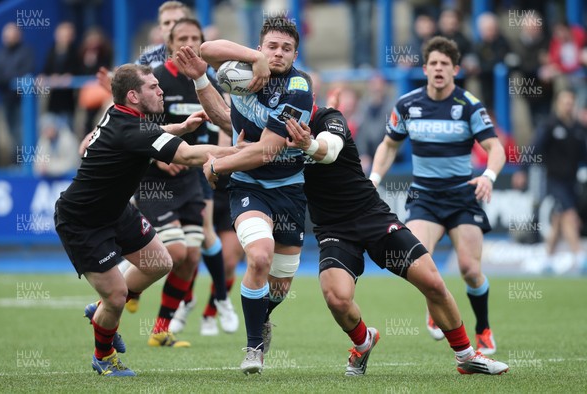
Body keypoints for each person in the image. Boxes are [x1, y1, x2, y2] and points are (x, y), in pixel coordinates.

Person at [283, 72, 509, 376]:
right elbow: (238, 130)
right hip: (333, 230)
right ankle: (363, 343)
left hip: (372, 218)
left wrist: (308, 144)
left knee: (432, 281)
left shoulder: (330, 118)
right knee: (337, 299)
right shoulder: (275, 133)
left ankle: (466, 356)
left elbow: (328, 150)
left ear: (311, 98)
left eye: (304, 95)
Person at [54, 63, 238, 376]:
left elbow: (148, 136)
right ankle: (104, 356)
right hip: (83, 221)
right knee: (117, 297)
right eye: (153, 87)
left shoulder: (121, 114)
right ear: (133, 96)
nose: (161, 89)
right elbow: (191, 156)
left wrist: (180, 127)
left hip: (115, 211)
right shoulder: (132, 128)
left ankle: (100, 312)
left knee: (160, 262)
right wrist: (242, 150)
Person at [173, 17, 313, 374]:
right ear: (261, 46)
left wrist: (220, 165)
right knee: (260, 258)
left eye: (286, 48)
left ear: (296, 54)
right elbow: (207, 52)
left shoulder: (298, 86)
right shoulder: (246, 66)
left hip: (289, 190)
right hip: (250, 187)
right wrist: (250, 60)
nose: (278, 52)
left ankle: (260, 319)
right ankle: (254, 349)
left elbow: (266, 150)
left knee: (279, 288)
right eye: (272, 46)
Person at [370, 36, 507, 355]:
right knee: (419, 264)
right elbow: (389, 145)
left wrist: (488, 175)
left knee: (470, 271)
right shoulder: (407, 105)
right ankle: (435, 307)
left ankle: (483, 328)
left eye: (445, 64)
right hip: (424, 198)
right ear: (425, 68)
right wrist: (374, 179)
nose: (439, 68)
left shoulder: (469, 105)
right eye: (433, 63)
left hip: (462, 197)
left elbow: (496, 148)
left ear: (455, 70)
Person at [131, 18, 238, 346]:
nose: (188, 43)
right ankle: (122, 293)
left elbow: (225, 122)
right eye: (182, 37)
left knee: (192, 256)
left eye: (195, 37)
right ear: (169, 42)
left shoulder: (210, 81)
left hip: (194, 174)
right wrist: (161, 157)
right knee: (176, 251)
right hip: (156, 179)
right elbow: (131, 127)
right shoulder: (155, 79)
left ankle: (161, 329)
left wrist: (224, 158)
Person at [512, 89, 587, 273]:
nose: (568, 106)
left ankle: (547, 258)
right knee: (569, 215)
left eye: (571, 103)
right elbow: (533, 149)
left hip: (571, 181)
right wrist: (523, 171)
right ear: (558, 104)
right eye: (565, 102)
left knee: (558, 219)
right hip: (553, 180)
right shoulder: (549, 125)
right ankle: (580, 257)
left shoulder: (578, 128)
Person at [0, 22, 34, 163]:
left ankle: (26, 166)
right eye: (6, 35)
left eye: (11, 34)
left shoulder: (25, 52)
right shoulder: (0, 54)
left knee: (22, 134)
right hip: (6, 100)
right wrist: (7, 79)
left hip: (22, 101)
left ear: (18, 35)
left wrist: (6, 79)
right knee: (11, 134)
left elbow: (26, 72)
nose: (8, 38)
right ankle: (16, 165)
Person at [33, 113, 80, 177]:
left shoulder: (68, 139)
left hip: (70, 179)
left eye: (48, 128)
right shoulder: (44, 140)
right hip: (49, 181)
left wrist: (49, 167)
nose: (46, 131)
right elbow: (38, 165)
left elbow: (71, 164)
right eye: (44, 129)